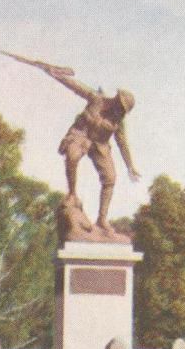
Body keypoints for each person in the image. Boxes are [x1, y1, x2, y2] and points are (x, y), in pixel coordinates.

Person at [45, 67, 141, 234]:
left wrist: (130, 166)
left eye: (124, 111)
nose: (120, 112)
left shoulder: (118, 122)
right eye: (121, 107)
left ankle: (102, 219)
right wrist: (56, 74)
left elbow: (122, 143)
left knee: (110, 178)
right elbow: (75, 86)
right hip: (81, 134)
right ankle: (73, 195)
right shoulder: (97, 99)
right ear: (116, 100)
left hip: (100, 145)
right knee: (72, 156)